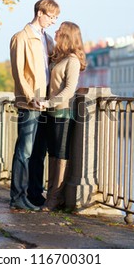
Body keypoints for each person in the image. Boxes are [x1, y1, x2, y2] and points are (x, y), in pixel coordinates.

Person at [9, 0, 60, 211]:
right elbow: (18, 71)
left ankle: (35, 194)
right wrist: (31, 97)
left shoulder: (47, 39)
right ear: (40, 12)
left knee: (39, 151)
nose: (53, 21)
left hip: (45, 102)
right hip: (30, 102)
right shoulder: (20, 37)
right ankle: (17, 197)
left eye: (56, 18)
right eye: (51, 16)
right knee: (25, 151)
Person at [40, 21, 87, 211]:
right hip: (50, 111)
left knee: (60, 155)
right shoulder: (59, 57)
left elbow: (69, 89)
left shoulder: (73, 60)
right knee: (52, 154)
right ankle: (50, 194)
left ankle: (55, 198)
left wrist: (49, 103)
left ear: (67, 35)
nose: (56, 31)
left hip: (63, 112)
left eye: (59, 30)